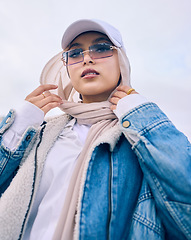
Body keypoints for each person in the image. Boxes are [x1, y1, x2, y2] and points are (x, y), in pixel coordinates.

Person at [0, 19, 190, 240]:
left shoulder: (141, 138)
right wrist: (18, 125)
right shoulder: (40, 134)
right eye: (75, 53)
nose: (87, 58)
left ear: (122, 62)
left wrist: (142, 115)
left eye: (101, 48)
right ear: (67, 68)